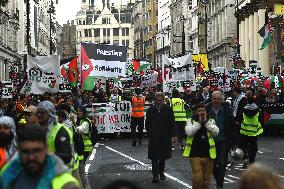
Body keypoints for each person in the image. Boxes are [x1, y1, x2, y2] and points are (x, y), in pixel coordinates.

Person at [0, 125, 80, 189]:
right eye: (25, 152)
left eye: (37, 151)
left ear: (46, 149)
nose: (31, 157)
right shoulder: (5, 174)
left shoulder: (68, 185)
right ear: (18, 151)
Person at [183, 103, 219, 189]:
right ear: (195, 112)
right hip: (195, 154)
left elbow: (216, 132)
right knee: (197, 178)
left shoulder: (211, 121)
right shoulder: (190, 121)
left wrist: (206, 122)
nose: (202, 112)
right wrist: (199, 122)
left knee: (206, 181)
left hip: (208, 154)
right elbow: (189, 132)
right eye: (199, 111)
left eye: (203, 110)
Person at [206, 91, 238, 189]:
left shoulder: (227, 109)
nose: (216, 101)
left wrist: (235, 142)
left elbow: (232, 126)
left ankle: (220, 184)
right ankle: (218, 179)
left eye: (218, 99)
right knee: (212, 164)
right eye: (214, 99)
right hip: (210, 141)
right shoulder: (206, 109)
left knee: (222, 162)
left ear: (221, 100)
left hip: (223, 140)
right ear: (211, 99)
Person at [145, 92, 177, 183]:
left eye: (160, 100)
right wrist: (150, 133)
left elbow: (172, 123)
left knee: (163, 156)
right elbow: (147, 123)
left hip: (165, 136)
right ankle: (155, 175)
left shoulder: (168, 109)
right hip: (154, 137)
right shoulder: (150, 110)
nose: (158, 102)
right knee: (154, 157)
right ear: (154, 100)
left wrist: (174, 135)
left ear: (163, 100)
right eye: (157, 100)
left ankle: (161, 172)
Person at [36, 101, 77, 172]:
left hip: (61, 172)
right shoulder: (36, 129)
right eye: (37, 113)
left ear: (50, 114)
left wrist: (45, 155)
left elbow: (67, 156)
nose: (39, 115)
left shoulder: (61, 131)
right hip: (44, 172)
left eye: (42, 113)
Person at [239, 96, 263, 169]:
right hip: (254, 132)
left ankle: (245, 158)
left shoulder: (243, 110)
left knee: (243, 146)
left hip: (244, 131)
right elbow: (261, 120)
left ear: (247, 102)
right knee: (253, 148)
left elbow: (239, 119)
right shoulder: (258, 110)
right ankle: (251, 162)